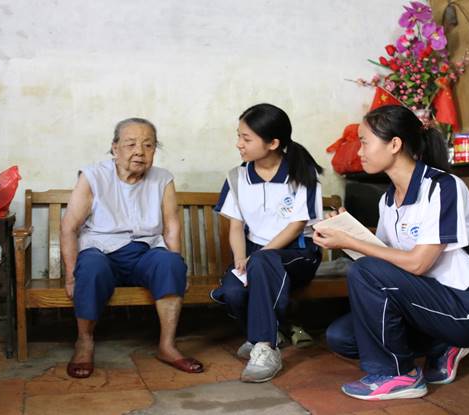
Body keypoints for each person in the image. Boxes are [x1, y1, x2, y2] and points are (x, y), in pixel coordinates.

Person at [314, 105, 469, 400]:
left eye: (364, 142)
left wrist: (352, 242)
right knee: (342, 337)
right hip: (426, 303)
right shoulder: (388, 200)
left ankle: (398, 375)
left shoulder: (443, 187)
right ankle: (441, 344)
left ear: (394, 144)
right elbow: (381, 260)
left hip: (467, 306)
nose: (359, 152)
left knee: (365, 272)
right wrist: (347, 234)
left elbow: (417, 264)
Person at [61, 118, 203, 378]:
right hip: (101, 251)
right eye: (131, 144)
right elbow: (69, 227)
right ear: (115, 148)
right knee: (91, 267)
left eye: (148, 145)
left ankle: (167, 346)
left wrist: (178, 269)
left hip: (144, 252)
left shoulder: (162, 179)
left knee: (171, 263)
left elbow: (171, 227)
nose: (140, 151)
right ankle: (84, 341)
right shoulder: (93, 176)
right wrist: (71, 276)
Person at [210, 103, 324, 383]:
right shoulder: (237, 176)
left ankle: (264, 345)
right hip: (253, 252)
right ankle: (273, 330)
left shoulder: (301, 172)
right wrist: (241, 259)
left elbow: (297, 225)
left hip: (296, 252)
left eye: (246, 138)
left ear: (273, 143)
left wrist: (259, 256)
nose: (239, 144)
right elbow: (236, 226)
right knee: (233, 292)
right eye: (238, 136)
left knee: (262, 261)